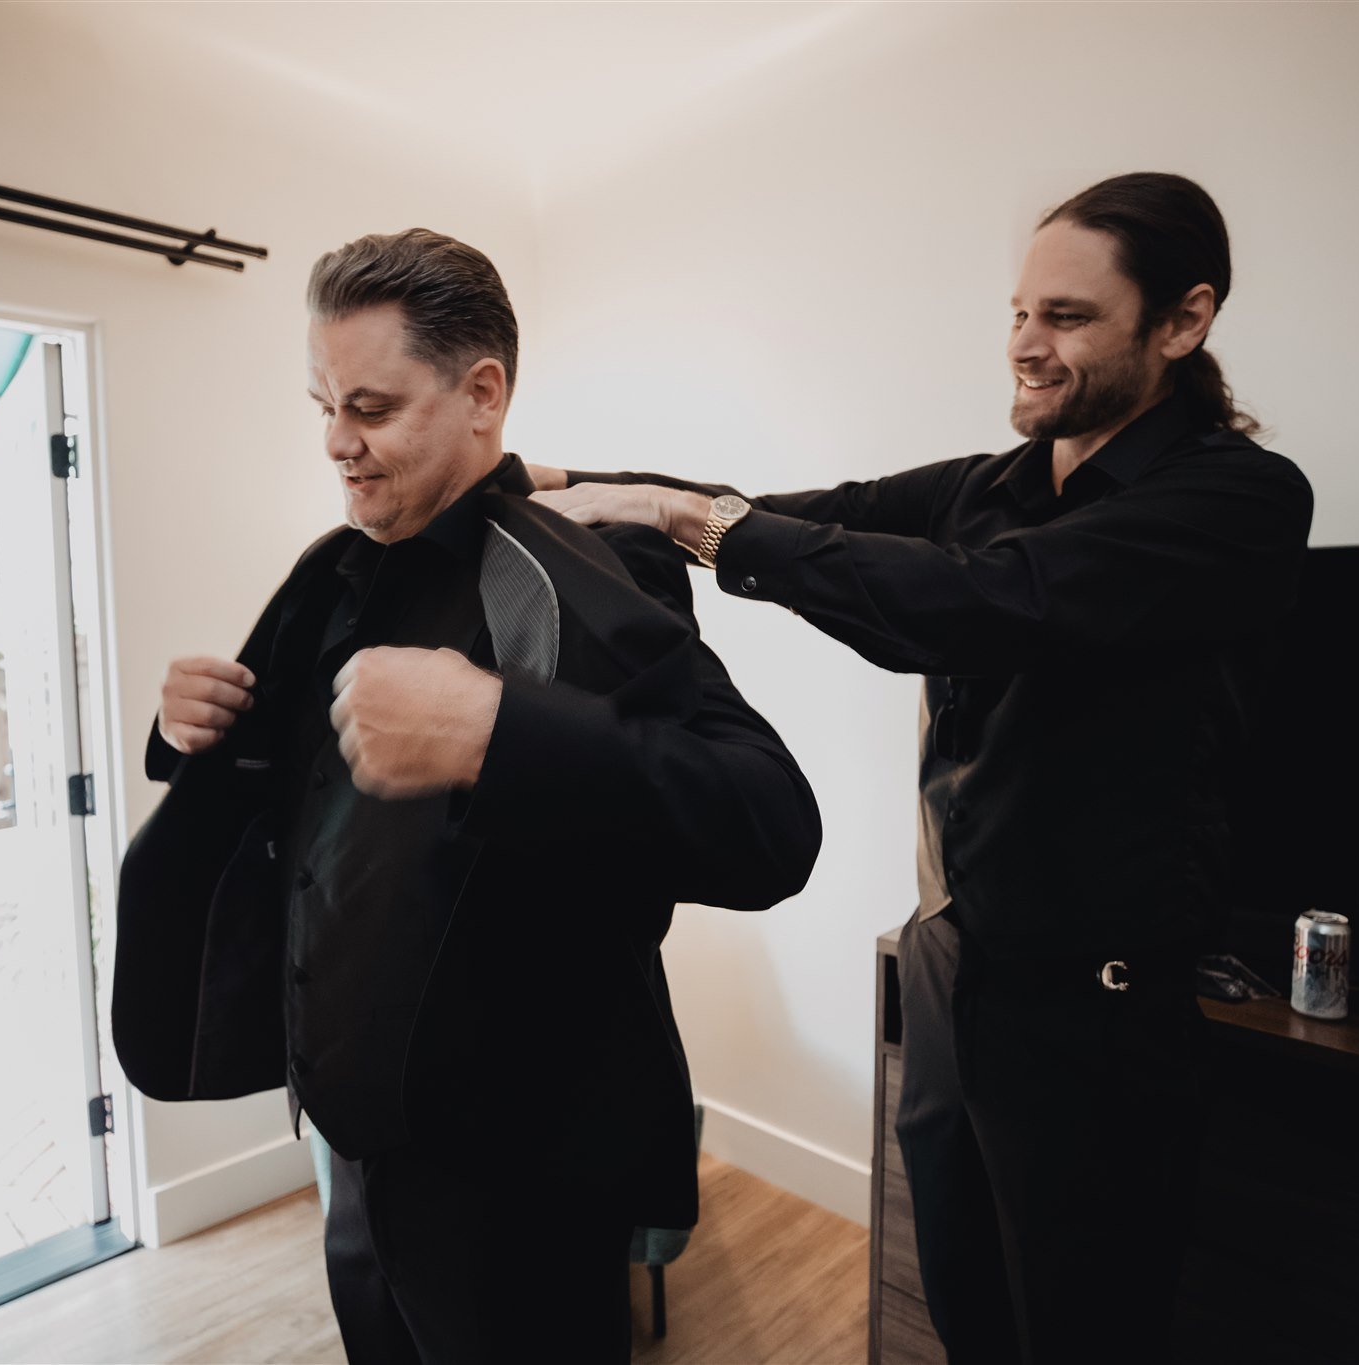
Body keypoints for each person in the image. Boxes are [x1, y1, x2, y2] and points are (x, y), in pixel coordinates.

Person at [528, 172, 1315, 1363]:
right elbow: (794, 515)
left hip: (1093, 1008)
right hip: (952, 963)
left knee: (1077, 1331)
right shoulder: (989, 486)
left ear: (1182, 321)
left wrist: (684, 517)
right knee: (959, 1308)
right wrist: (566, 487)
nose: (1024, 346)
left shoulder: (1234, 501)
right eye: (1016, 311)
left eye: (1065, 317)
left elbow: (985, 607)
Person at [109, 228, 822, 1364]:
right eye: (323, 405)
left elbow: (768, 822)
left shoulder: (583, 567)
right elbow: (297, 797)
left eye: (373, 408)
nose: (337, 443)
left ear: (480, 393)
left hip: (517, 1179)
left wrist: (501, 735)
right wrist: (183, 726)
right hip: (351, 1144)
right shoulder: (333, 574)